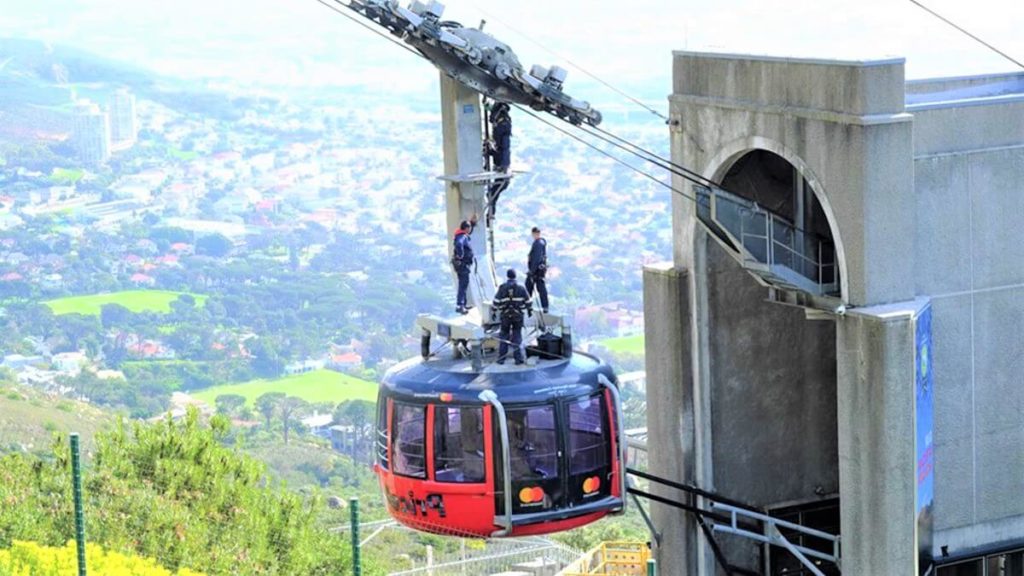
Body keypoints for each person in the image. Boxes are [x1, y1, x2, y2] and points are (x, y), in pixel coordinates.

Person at [493, 268, 531, 365]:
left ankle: (501, 359)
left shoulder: (502, 288)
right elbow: (528, 302)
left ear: (507, 276)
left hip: (505, 316)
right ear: (515, 276)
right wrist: (529, 310)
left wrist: (494, 311)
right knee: (517, 336)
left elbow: (496, 302)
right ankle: (518, 359)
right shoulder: (521, 288)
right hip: (518, 316)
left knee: (504, 336)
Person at [485, 102, 512, 225]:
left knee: (492, 195)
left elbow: (501, 151)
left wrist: (490, 151)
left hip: (502, 171)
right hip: (502, 170)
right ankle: (490, 215)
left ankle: (490, 215)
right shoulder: (504, 121)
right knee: (492, 195)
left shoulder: (502, 127)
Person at [452, 216, 477, 314]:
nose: (470, 230)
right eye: (469, 227)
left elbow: (467, 233)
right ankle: (460, 305)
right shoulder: (462, 237)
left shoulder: (461, 234)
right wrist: (461, 255)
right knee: (463, 284)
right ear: (466, 228)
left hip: (462, 265)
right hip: (463, 265)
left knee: (464, 284)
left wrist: (472, 223)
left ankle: (463, 304)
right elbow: (459, 244)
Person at [526, 227, 549, 312]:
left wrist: (532, 271)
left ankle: (527, 305)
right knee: (540, 288)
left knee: (530, 286)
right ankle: (544, 306)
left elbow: (536, 259)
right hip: (539, 270)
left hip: (536, 270)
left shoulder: (538, 244)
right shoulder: (541, 243)